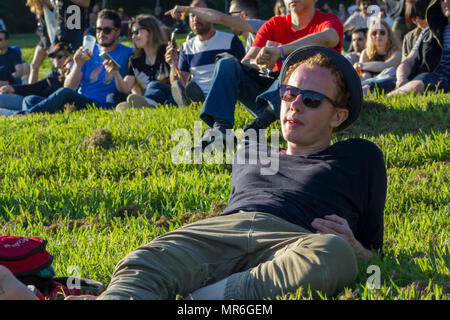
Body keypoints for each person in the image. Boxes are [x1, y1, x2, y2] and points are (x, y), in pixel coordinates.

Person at [0, 46, 387, 301]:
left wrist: (357, 247)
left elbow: (372, 250)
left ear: (338, 116)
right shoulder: (252, 149)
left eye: (312, 99)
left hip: (295, 241)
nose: (294, 105)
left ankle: (201, 300)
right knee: (145, 260)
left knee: (335, 255)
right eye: (288, 93)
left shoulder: (359, 157)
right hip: (225, 230)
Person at [194, 0, 343, 151]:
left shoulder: (328, 21)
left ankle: (258, 126)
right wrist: (260, 63)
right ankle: (221, 128)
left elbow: (329, 38)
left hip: (305, 99)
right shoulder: (274, 24)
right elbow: (247, 62)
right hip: (269, 94)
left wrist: (281, 51)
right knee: (227, 63)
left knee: (294, 68)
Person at [15, 9, 133, 115]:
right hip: (79, 101)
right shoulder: (89, 50)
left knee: (64, 94)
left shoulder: (128, 53)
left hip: (99, 106)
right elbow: (69, 86)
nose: (101, 34)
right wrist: (78, 65)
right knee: (29, 99)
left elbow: (127, 88)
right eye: (98, 29)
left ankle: (22, 116)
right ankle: (39, 115)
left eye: (106, 30)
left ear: (117, 32)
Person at [164, 0, 246, 108]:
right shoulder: (187, 47)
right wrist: (172, 64)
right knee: (178, 90)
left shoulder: (230, 41)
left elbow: (244, 74)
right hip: (197, 94)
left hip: (224, 93)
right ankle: (194, 103)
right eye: (192, 15)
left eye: (199, 14)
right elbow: (180, 83)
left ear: (211, 16)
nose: (195, 19)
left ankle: (204, 102)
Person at [113, 14, 174, 111]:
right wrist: (115, 72)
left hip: (168, 96)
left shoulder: (167, 52)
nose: (133, 37)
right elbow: (125, 88)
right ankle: (146, 104)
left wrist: (173, 62)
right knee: (113, 96)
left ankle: (143, 105)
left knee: (154, 85)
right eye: (132, 33)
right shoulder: (135, 59)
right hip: (146, 96)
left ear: (151, 31)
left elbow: (177, 83)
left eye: (137, 32)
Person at [389, 0, 450, 95]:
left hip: (437, 82)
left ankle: (384, 102)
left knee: (424, 80)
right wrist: (402, 77)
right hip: (419, 78)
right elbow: (408, 61)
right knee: (378, 83)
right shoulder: (428, 32)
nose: (446, 1)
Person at [0, 42, 73, 116]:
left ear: (69, 56)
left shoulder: (73, 73)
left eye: (59, 56)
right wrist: (12, 88)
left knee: (29, 100)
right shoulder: (54, 75)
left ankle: (21, 116)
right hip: (38, 104)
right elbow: (35, 87)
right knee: (27, 99)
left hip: (51, 106)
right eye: (53, 57)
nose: (56, 59)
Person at [166, 0, 265, 54]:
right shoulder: (250, 40)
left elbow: (220, 18)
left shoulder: (262, 27)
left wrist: (187, 9)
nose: (229, 18)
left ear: (242, 16)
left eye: (231, 14)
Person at [355, 19, 401, 94]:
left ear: (388, 35)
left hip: (388, 81)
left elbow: (386, 65)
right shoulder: (365, 53)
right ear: (370, 36)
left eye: (382, 33)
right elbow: (360, 73)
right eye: (374, 33)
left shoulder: (396, 51)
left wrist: (361, 65)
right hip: (367, 81)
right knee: (366, 74)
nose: (378, 35)